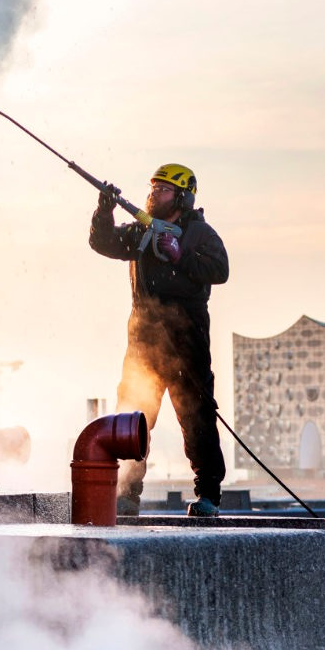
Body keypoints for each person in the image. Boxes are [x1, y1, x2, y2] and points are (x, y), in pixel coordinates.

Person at [89, 164, 229, 517]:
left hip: (187, 345)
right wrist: (103, 211)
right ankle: (126, 493)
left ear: (182, 197)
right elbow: (103, 242)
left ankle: (208, 496)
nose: (153, 195)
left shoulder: (200, 234)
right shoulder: (141, 233)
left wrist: (183, 256)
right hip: (143, 344)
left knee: (196, 419)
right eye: (152, 189)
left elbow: (220, 270)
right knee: (133, 420)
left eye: (163, 190)